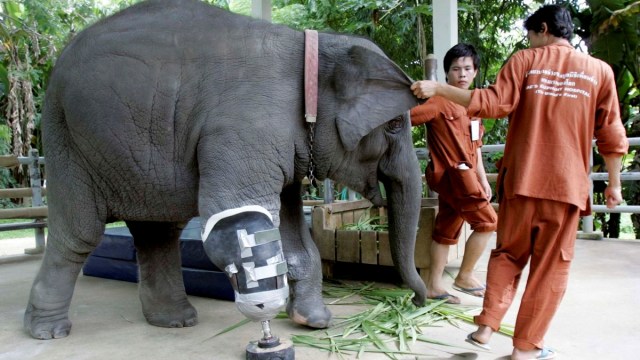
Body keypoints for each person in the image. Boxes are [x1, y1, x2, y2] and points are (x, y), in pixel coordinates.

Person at [411, 5, 627, 360]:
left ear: (543, 29)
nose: (530, 42)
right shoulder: (599, 72)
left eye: (530, 34)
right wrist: (614, 183)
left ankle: (486, 325)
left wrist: (440, 88)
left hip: (521, 181)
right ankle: (525, 349)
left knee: (508, 253)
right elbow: (611, 132)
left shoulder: (526, 61)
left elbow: (493, 104)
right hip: (565, 187)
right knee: (550, 268)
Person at [410, 43, 497, 305]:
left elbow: (476, 147)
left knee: (446, 230)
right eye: (456, 69)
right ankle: (465, 276)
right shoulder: (438, 102)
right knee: (489, 223)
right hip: (453, 176)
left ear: (475, 72)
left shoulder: (474, 105)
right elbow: (406, 118)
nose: (462, 74)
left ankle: (434, 285)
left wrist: (483, 179)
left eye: (467, 68)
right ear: (447, 73)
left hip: (467, 176)